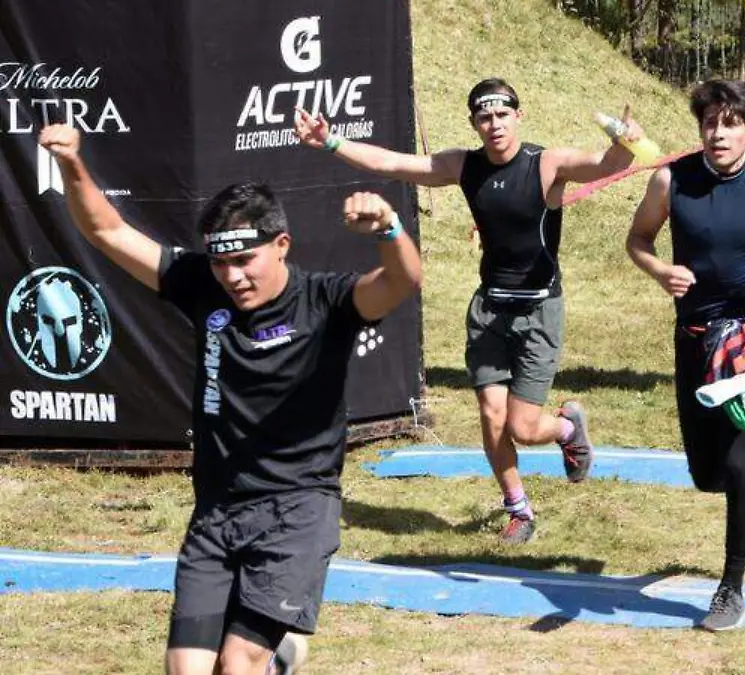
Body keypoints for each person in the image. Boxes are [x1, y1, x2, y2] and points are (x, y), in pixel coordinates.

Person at [38, 124, 422, 675]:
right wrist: (73, 163)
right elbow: (107, 231)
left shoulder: (327, 300)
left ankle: (270, 659)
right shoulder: (203, 285)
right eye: (221, 262)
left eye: (245, 260)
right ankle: (279, 660)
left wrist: (389, 228)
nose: (233, 276)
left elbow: (401, 281)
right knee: (186, 669)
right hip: (217, 509)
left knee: (237, 665)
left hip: (296, 508)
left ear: (282, 244)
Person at [294, 78, 645, 543]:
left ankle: (565, 428)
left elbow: (607, 165)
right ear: (474, 123)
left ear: (518, 116)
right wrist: (330, 141)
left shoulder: (546, 164)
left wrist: (625, 141)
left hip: (539, 311)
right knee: (491, 416)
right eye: (485, 117)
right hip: (489, 311)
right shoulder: (464, 165)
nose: (494, 124)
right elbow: (393, 163)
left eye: (502, 115)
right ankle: (519, 509)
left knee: (523, 426)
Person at [625, 79, 745, 631]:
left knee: (738, 462)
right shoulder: (671, 180)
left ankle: (731, 589)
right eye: (710, 124)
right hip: (695, 339)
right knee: (708, 475)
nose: (719, 134)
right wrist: (661, 271)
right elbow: (638, 239)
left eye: (731, 124)